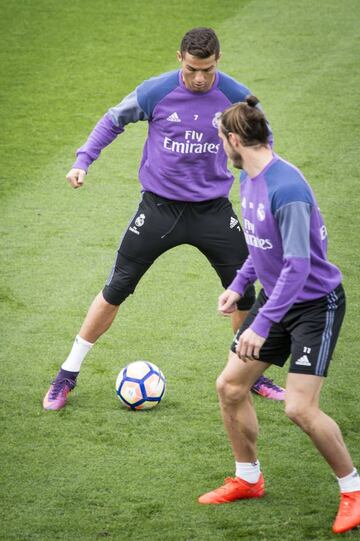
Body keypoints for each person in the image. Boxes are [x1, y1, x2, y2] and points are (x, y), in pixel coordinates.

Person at [43, 28, 285, 411]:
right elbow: (112, 120)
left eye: (206, 69)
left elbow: (264, 140)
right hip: (158, 210)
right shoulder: (156, 91)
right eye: (192, 69)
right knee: (116, 287)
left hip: (213, 212)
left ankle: (251, 374)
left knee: (246, 290)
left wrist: (264, 187)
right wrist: (82, 161)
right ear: (179, 59)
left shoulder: (237, 96)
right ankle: (67, 375)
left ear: (217, 60)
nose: (200, 78)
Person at [197, 96, 360, 534]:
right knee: (230, 386)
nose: (220, 149)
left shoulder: (285, 188)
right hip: (277, 299)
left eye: (221, 141)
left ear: (235, 139)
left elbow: (299, 265)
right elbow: (260, 246)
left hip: (313, 306)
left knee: (299, 407)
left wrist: (264, 321)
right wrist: (237, 285)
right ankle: (248, 478)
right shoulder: (250, 178)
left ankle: (354, 490)